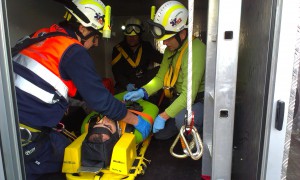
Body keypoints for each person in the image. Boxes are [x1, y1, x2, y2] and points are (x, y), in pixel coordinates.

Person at [12, 0, 151, 179]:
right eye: (95, 37)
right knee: (67, 160)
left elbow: (36, 79)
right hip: (23, 135)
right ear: (83, 29)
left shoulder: (42, 35)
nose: (95, 44)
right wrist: (135, 120)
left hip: (11, 119)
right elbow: (101, 101)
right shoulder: (72, 50)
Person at [123, 1, 206, 140]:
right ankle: (180, 126)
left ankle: (199, 143)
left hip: (196, 101)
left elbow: (188, 95)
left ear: (183, 33)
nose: (164, 43)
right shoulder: (171, 49)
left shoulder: (196, 50)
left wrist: (164, 116)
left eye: (167, 39)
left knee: (183, 121)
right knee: (160, 136)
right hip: (178, 99)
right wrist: (143, 91)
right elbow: (160, 78)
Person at [111, 17, 163, 93]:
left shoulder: (146, 46)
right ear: (125, 36)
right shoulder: (118, 49)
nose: (132, 38)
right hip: (124, 85)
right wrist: (126, 84)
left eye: (135, 36)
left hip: (142, 83)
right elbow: (117, 72)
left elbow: (160, 58)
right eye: (129, 36)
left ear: (140, 36)